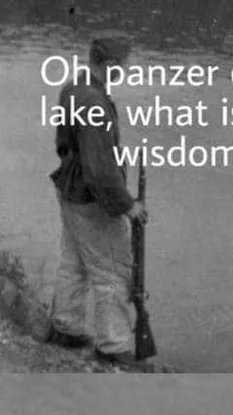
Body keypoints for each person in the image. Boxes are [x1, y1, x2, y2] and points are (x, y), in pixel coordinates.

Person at [49, 35, 147, 367]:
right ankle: (113, 347)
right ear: (109, 65)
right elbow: (102, 170)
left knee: (73, 263)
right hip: (92, 200)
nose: (126, 71)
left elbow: (65, 145)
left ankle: (66, 327)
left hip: (69, 190)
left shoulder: (74, 86)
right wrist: (127, 204)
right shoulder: (94, 102)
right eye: (123, 66)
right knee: (113, 272)